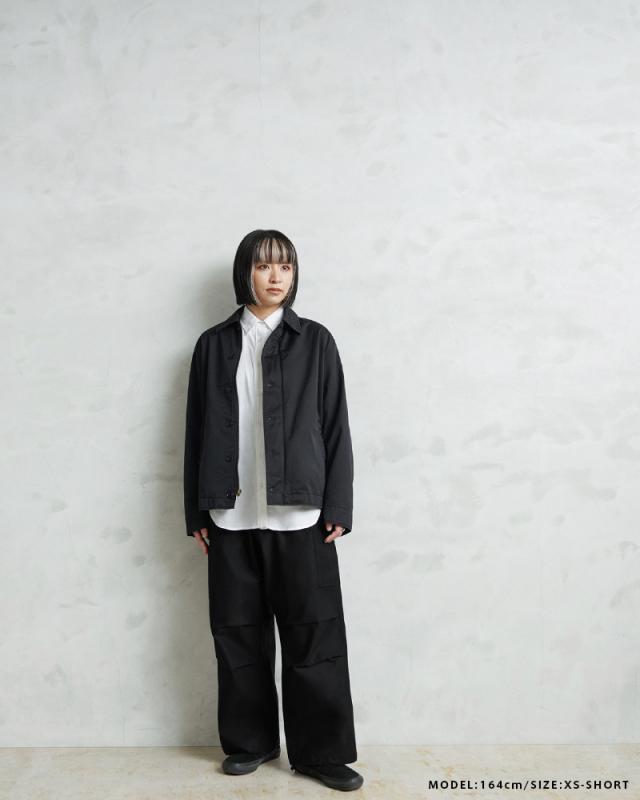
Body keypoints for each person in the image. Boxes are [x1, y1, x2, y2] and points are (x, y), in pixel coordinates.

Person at [183, 229, 364, 792]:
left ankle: (321, 754)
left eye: (285, 265)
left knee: (315, 639)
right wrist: (196, 512)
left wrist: (339, 504)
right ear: (246, 273)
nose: (276, 276)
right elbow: (196, 431)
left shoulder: (316, 341)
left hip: (302, 517)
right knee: (238, 636)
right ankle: (250, 743)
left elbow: (335, 425)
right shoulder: (213, 345)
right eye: (264, 266)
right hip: (231, 516)